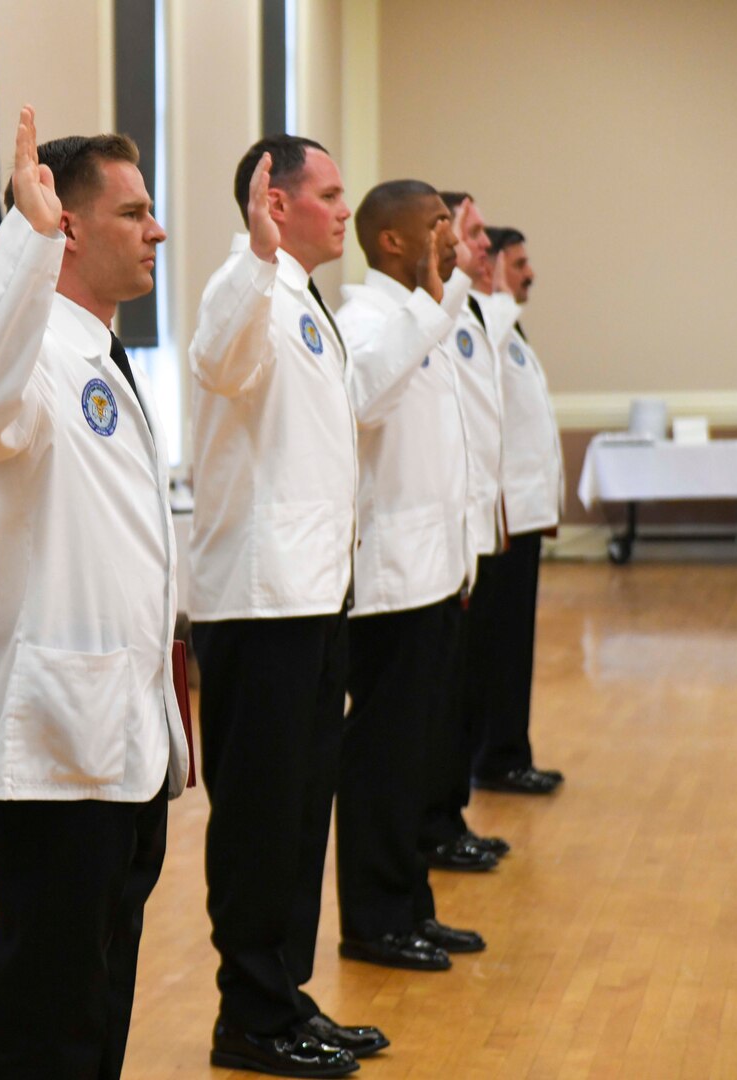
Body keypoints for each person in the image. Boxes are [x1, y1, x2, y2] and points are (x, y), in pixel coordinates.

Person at [0, 107, 189, 1080]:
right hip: (55, 759)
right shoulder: (30, 355)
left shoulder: (103, 355)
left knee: (95, 1020)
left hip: (122, 744)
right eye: (133, 212)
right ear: (70, 229)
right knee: (46, 1032)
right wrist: (25, 237)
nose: (156, 230)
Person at [188, 135, 384, 1078]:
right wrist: (257, 257)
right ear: (275, 204)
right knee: (262, 821)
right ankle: (249, 1019)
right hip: (259, 604)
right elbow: (219, 362)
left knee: (305, 813)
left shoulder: (306, 301)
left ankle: (286, 996)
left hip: (314, 598)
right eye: (331, 193)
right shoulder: (246, 290)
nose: (345, 209)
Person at [332, 180, 491, 973]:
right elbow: (363, 399)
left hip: (435, 572)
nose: (448, 236)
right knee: (383, 761)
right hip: (391, 582)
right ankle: (374, 919)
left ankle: (410, 908)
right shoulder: (365, 320)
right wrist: (438, 298)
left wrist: (446, 286)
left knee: (419, 756)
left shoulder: (416, 315)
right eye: (434, 224)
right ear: (390, 241)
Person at [412, 191, 512, 871]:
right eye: (470, 232)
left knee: (457, 694)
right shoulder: (416, 316)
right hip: (428, 540)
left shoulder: (466, 308)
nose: (481, 246)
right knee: (432, 707)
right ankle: (436, 825)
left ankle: (449, 817)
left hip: (465, 526)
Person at [469, 226, 565, 794]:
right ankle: (497, 754)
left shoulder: (507, 323)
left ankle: (508, 748)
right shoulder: (482, 320)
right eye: (518, 263)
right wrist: (496, 288)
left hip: (524, 512)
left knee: (512, 644)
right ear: (495, 265)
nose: (529, 274)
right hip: (502, 513)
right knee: (498, 645)